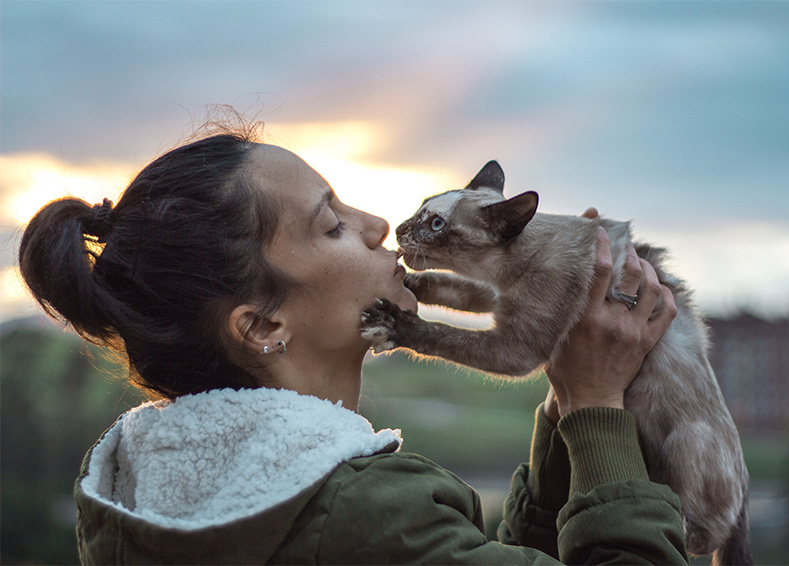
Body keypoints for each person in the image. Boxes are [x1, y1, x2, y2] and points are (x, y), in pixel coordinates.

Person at [18, 124, 687, 564]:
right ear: (261, 327)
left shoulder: (135, 503)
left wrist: (566, 398)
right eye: (333, 224)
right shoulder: (361, 513)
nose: (378, 227)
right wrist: (598, 405)